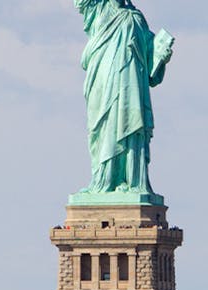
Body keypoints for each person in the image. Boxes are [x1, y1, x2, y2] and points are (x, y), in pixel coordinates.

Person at [74, 0, 173, 194]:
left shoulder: (136, 18)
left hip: (131, 86)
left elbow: (150, 58)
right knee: (103, 130)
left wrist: (161, 57)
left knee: (131, 126)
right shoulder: (98, 9)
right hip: (103, 83)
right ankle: (103, 179)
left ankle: (132, 181)